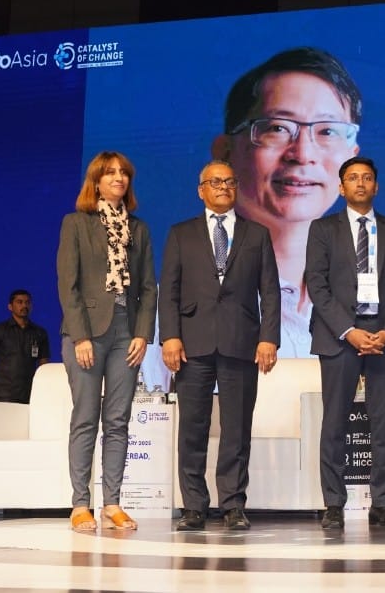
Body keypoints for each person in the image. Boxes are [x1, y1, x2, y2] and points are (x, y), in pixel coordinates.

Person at [211, 46, 363, 359]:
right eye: (278, 128)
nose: (303, 154)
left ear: (351, 158)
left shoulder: (364, 295)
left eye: (328, 131)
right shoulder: (180, 310)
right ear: (225, 152)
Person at [159, 161, 281, 532]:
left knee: (236, 429)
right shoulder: (181, 234)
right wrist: (170, 336)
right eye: (215, 182)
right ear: (201, 190)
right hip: (192, 343)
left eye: (229, 181)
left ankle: (233, 505)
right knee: (192, 429)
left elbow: (270, 291)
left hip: (241, 341)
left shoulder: (257, 234)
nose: (223, 187)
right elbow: (169, 291)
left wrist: (268, 338)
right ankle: (194, 506)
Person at [306, 157, 385, 529]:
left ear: (376, 186)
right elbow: (317, 285)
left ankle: (382, 504)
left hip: (383, 337)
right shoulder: (323, 229)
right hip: (339, 337)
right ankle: (334, 504)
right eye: (353, 178)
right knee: (335, 423)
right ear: (341, 187)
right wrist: (348, 330)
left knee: (384, 424)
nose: (361, 183)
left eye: (367, 177)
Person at [57, 151, 157, 532]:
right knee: (86, 418)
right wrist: (80, 335)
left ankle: (112, 503)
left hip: (125, 333)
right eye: (111, 173)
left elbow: (148, 287)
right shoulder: (76, 223)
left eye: (123, 173)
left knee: (118, 420)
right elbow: (68, 285)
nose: (119, 178)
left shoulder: (139, 229)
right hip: (86, 333)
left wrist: (143, 333)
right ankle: (80, 504)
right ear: (96, 181)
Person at [0, 290, 51, 403]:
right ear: (10, 307)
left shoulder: (39, 333)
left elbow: (44, 366)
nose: (24, 306)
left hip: (29, 395)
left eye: (27, 302)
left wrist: (44, 394)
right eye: (19, 302)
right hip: (2, 394)